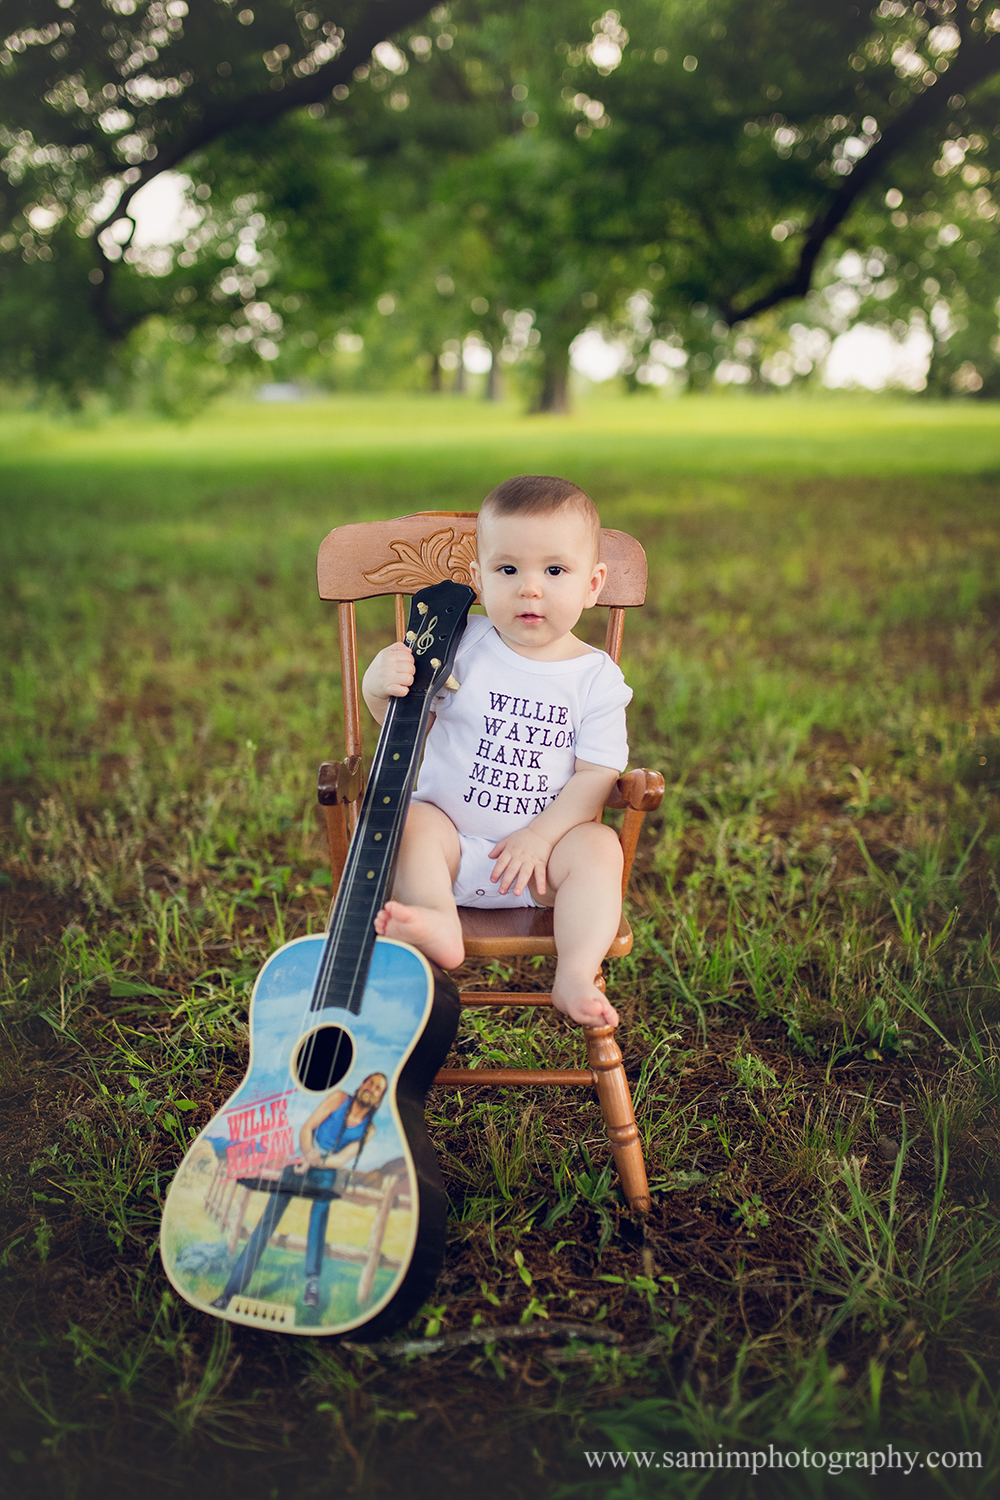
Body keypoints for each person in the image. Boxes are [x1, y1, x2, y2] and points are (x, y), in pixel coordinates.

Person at [364, 475, 629, 1028]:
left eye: (555, 571)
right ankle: (438, 919)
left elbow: (596, 776)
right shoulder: (459, 646)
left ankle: (576, 971)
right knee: (410, 819)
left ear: (593, 583)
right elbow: (405, 726)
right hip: (450, 851)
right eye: (508, 570)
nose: (530, 589)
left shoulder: (595, 678)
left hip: (541, 868)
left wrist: (540, 837)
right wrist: (376, 687)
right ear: (478, 579)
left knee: (601, 847)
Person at [210, 1073, 387, 1311]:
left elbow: (342, 1158)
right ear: (362, 1083)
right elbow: (307, 1128)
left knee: (319, 1215)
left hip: (325, 1169)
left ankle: (312, 1283)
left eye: (378, 1088)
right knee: (267, 1222)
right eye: (369, 1082)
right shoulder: (339, 1098)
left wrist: (314, 1161)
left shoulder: (370, 1129)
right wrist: (307, 1153)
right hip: (301, 1156)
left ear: (381, 1097)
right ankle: (229, 1293)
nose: (371, 1088)